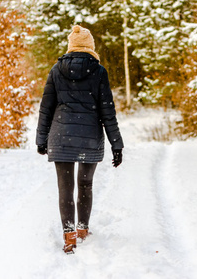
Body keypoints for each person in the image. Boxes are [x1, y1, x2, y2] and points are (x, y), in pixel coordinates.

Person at [36, 25, 124, 254]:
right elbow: (107, 111)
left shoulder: (57, 69)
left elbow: (46, 108)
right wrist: (117, 144)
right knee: (85, 183)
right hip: (89, 138)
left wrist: (41, 138)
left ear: (71, 46)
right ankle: (83, 229)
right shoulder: (99, 71)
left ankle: (69, 237)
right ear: (90, 47)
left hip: (61, 136)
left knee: (65, 187)